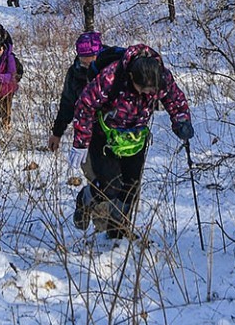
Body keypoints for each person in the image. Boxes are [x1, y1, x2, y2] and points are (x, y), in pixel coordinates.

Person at [71, 44, 193, 239]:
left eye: (150, 90)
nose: (146, 93)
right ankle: (85, 200)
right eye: (141, 89)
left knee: (130, 188)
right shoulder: (112, 78)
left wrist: (182, 122)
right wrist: (81, 142)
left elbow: (174, 98)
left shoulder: (161, 77)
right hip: (105, 136)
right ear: (131, 78)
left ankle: (116, 233)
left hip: (135, 138)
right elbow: (85, 105)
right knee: (110, 186)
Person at [46, 30, 123, 151]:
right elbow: (67, 103)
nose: (87, 67)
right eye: (84, 63)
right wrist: (57, 133)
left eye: (91, 62)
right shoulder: (75, 73)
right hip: (91, 131)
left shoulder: (116, 66)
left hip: (120, 129)